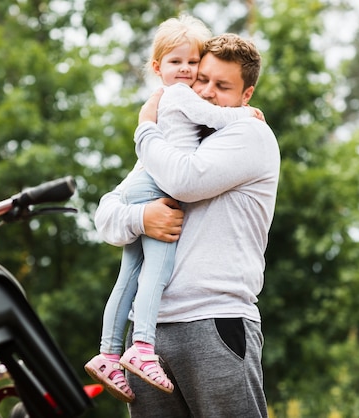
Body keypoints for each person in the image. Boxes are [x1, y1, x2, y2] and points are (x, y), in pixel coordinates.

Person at [94, 33, 280, 417]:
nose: (207, 93)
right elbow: (108, 215)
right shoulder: (173, 144)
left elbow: (185, 181)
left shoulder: (249, 134)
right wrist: (142, 218)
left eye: (222, 86)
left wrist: (146, 125)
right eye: (202, 80)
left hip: (213, 322)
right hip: (146, 338)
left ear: (247, 96)